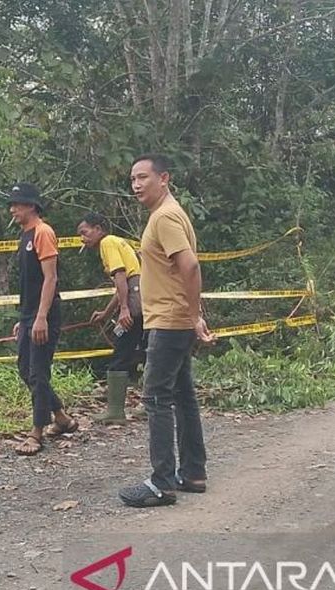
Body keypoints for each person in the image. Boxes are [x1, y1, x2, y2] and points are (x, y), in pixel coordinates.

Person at [117, 154, 216, 508]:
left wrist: (192, 316)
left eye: (143, 177)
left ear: (164, 178)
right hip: (175, 318)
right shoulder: (168, 214)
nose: (137, 185)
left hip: (169, 321)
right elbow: (182, 270)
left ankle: (161, 482)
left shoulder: (165, 217)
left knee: (156, 397)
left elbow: (189, 265)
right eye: (133, 180)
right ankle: (192, 472)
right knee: (183, 395)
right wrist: (195, 316)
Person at [7, 183, 76, 456]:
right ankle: (61, 417)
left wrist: (41, 317)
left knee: (38, 372)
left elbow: (51, 278)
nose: (13, 209)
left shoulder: (43, 233)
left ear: (31, 206)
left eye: (18, 204)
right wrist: (24, 318)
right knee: (25, 368)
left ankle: (36, 434)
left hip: (43, 315)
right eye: (12, 204)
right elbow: (29, 283)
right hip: (29, 315)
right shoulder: (24, 235)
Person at [77, 213, 144, 424]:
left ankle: (115, 411)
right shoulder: (117, 242)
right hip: (141, 297)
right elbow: (120, 284)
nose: (82, 239)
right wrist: (106, 313)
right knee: (146, 351)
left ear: (98, 229)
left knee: (121, 351)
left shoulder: (107, 243)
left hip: (134, 300)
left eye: (85, 233)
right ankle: (149, 405)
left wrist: (124, 309)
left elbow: (121, 276)